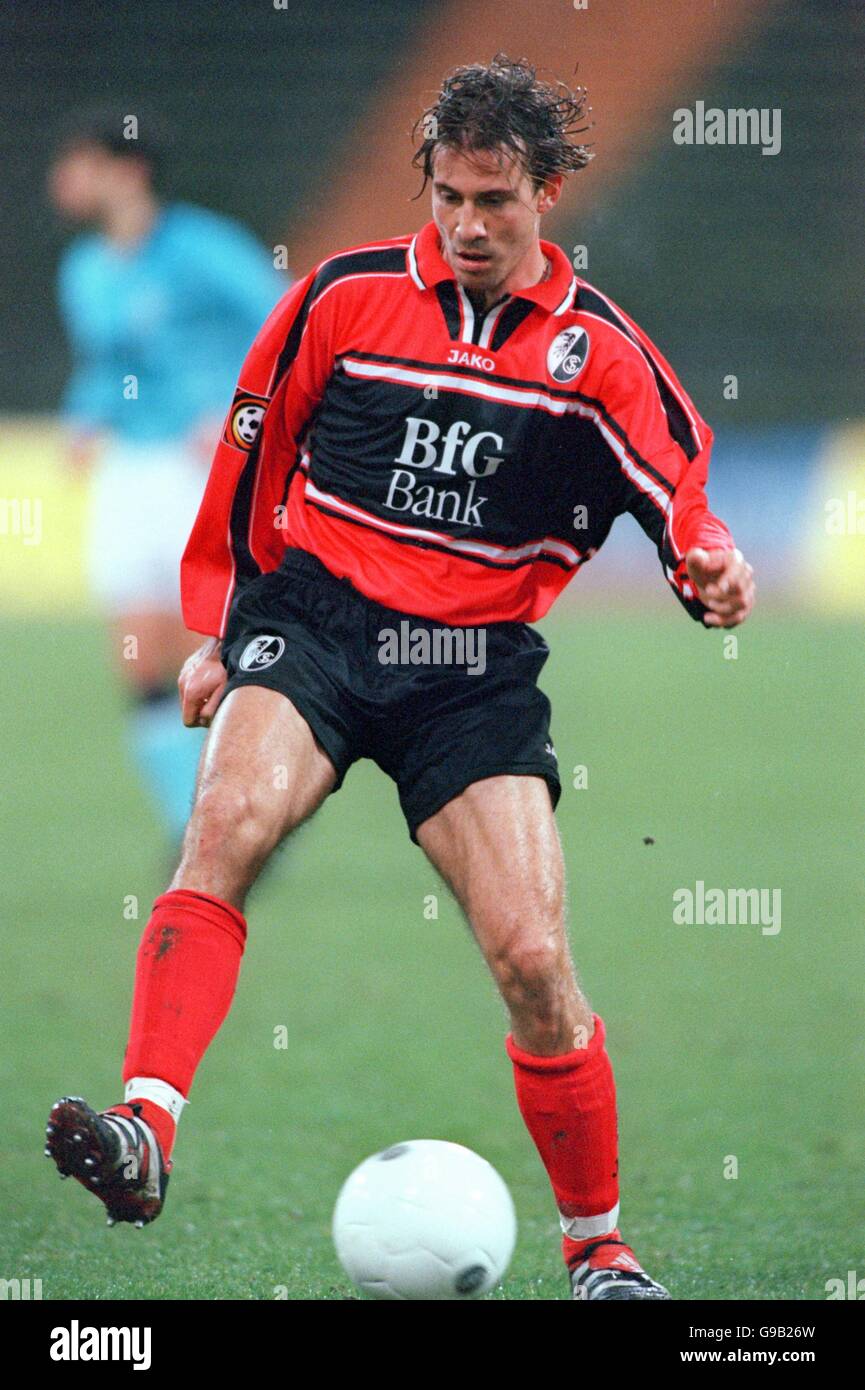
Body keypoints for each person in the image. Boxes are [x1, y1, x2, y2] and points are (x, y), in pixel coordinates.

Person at [46, 58, 754, 1300]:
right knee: (222, 825)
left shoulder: (603, 357)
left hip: (471, 671)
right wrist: (223, 624)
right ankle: (145, 1130)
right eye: (448, 197)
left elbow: (680, 504)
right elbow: (249, 456)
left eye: (496, 199)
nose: (470, 225)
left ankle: (600, 1248)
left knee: (534, 959)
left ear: (548, 190)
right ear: (425, 185)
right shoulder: (342, 297)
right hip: (317, 622)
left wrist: (711, 571)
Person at [48, 109, 287, 838]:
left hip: (200, 469)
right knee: (137, 651)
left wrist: (232, 408)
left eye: (80, 162)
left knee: (205, 648)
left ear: (127, 171)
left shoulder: (204, 249)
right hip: (128, 469)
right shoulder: (84, 269)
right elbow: (105, 365)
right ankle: (188, 822)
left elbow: (285, 319)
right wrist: (83, 416)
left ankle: (239, 806)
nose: (64, 179)